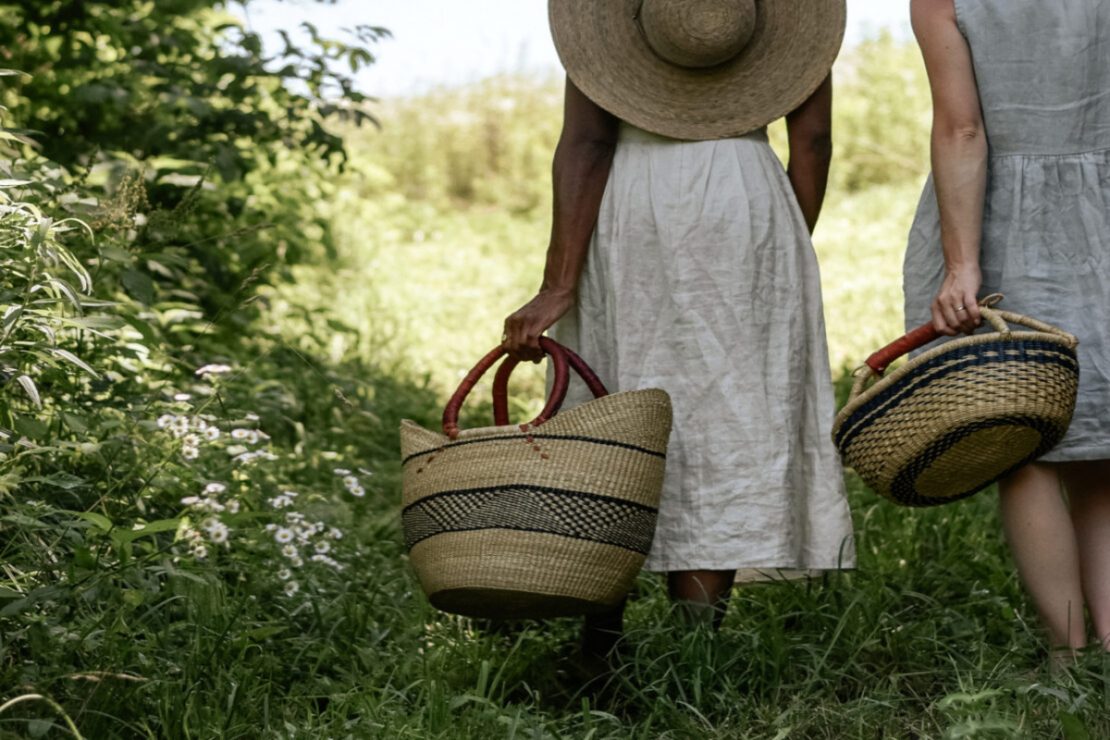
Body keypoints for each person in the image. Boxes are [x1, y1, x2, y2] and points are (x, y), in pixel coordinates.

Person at [502, 0, 855, 658]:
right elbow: (812, 140)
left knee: (617, 401)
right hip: (745, 199)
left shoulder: (610, 34)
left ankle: (600, 635)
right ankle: (696, 649)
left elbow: (585, 144)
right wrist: (784, 242)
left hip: (632, 202)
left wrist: (558, 283)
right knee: (724, 418)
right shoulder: (786, 28)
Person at [905, 0, 1110, 662]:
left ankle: (1069, 655)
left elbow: (961, 129)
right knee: (1101, 452)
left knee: (1024, 441)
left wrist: (963, 266)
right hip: (1100, 210)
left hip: (999, 218)